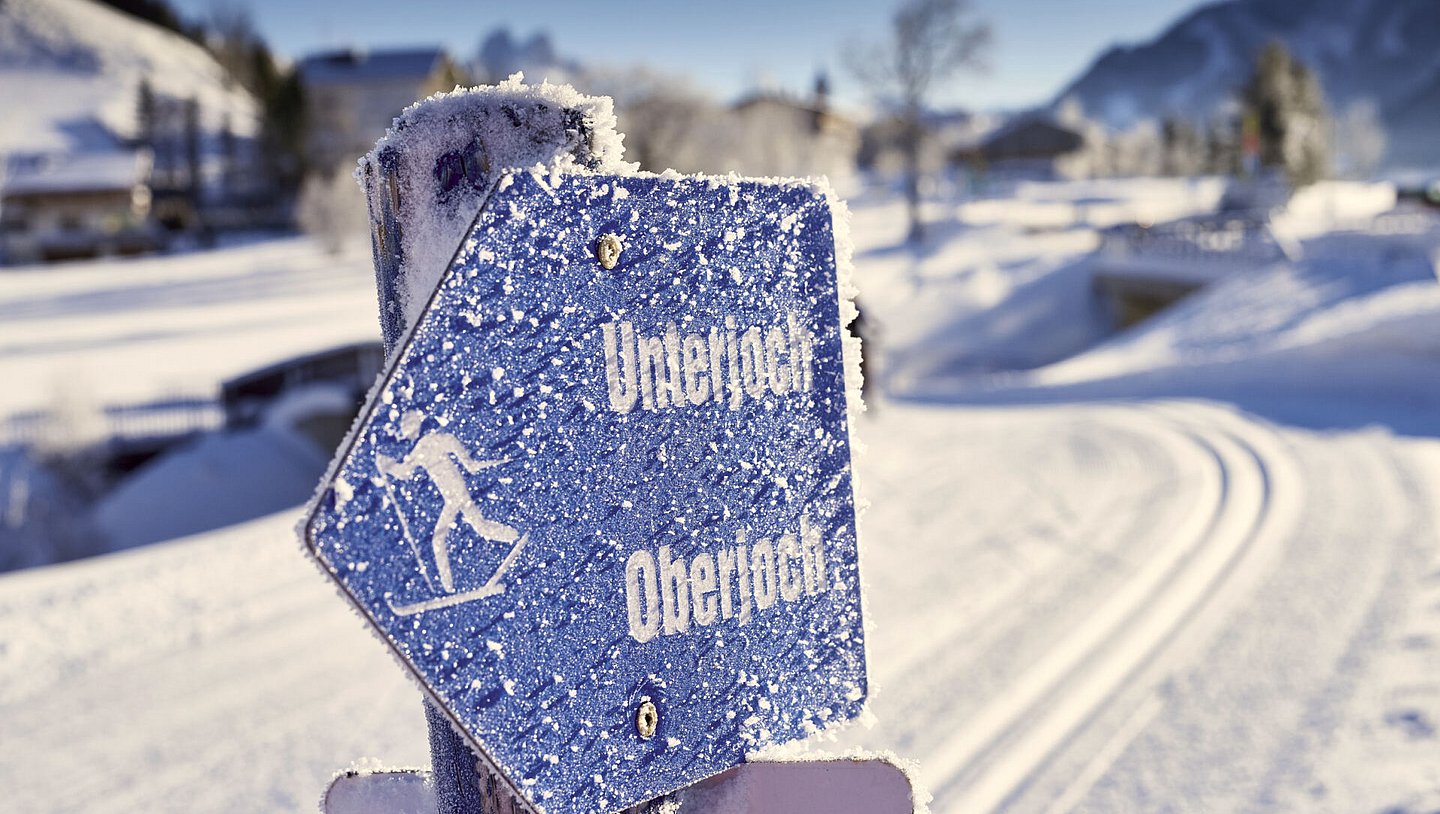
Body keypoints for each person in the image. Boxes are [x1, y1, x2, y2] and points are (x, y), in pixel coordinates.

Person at [376, 410, 518, 594]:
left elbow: (460, 453)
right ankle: (449, 587)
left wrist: (388, 465)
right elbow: (405, 472)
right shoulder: (423, 448)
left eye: (407, 426)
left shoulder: (431, 443)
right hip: (452, 498)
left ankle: (449, 587)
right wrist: (388, 465)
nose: (406, 432)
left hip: (457, 495)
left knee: (445, 537)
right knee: (471, 529)